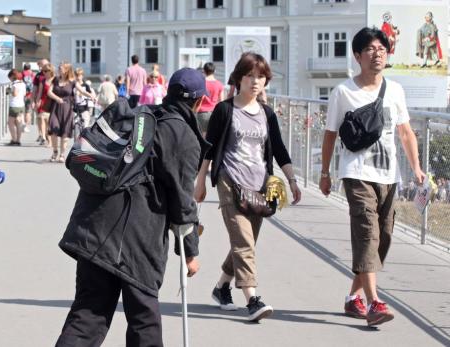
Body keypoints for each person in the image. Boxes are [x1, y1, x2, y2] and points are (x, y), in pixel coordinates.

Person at [56, 67, 210, 346]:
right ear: (199, 102)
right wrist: (190, 253)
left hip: (93, 227)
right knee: (144, 322)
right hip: (136, 242)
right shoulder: (183, 135)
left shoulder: (139, 116)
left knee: (87, 317)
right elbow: (182, 200)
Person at [319, 27, 426, 327]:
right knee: (367, 234)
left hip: (389, 176)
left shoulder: (395, 90)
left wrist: (416, 168)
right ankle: (374, 303)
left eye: (382, 48)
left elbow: (405, 132)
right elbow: (329, 135)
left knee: (383, 239)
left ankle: (354, 296)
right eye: (370, 49)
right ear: (357, 56)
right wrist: (325, 173)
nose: (377, 53)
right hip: (356, 173)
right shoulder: (343, 92)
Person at [194, 52, 301, 322]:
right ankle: (252, 299)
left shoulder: (266, 114)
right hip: (230, 180)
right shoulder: (225, 110)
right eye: (250, 75)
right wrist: (201, 181)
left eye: (261, 76)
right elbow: (209, 149)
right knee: (243, 241)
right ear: (238, 78)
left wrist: (292, 180)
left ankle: (221, 287)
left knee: (246, 242)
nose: (255, 81)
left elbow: (278, 148)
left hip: (259, 185)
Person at [46, 62, 94, 163]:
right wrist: (57, 98)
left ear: (67, 70)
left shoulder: (72, 82)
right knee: (53, 128)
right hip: (55, 108)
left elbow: (82, 91)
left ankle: (62, 154)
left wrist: (91, 96)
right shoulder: (55, 80)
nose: (59, 69)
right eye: (59, 67)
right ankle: (55, 151)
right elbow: (49, 92)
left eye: (61, 68)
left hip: (67, 109)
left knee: (65, 132)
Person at [197, 62, 224, 136]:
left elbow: (197, 98)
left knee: (201, 136)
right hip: (214, 112)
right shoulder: (219, 84)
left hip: (201, 112)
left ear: (204, 71)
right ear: (214, 71)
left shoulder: (201, 83)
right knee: (212, 136)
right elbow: (221, 102)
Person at [35, 63, 55, 147]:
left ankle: (50, 141)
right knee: (42, 118)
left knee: (49, 123)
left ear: (51, 71)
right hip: (44, 102)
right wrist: (37, 101)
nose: (44, 72)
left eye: (46, 71)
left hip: (53, 103)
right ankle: (43, 136)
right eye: (43, 71)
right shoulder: (42, 80)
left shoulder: (55, 80)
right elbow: (39, 92)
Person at [33, 58, 50, 143]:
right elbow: (35, 89)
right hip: (41, 100)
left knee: (48, 119)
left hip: (51, 100)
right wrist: (34, 100)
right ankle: (42, 135)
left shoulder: (53, 75)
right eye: (41, 65)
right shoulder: (38, 76)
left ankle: (47, 135)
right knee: (40, 118)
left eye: (44, 65)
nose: (42, 67)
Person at [7, 69, 26, 146]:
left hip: (14, 105)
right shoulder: (22, 84)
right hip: (21, 105)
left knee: (10, 123)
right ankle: (18, 140)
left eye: (10, 78)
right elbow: (24, 94)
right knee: (19, 124)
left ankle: (14, 139)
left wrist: (9, 90)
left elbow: (15, 94)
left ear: (12, 77)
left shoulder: (14, 85)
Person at [21, 63, 36, 133]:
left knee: (21, 111)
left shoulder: (22, 73)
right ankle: (26, 126)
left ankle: (22, 124)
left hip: (22, 95)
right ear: (30, 68)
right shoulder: (32, 74)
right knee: (28, 111)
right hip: (30, 95)